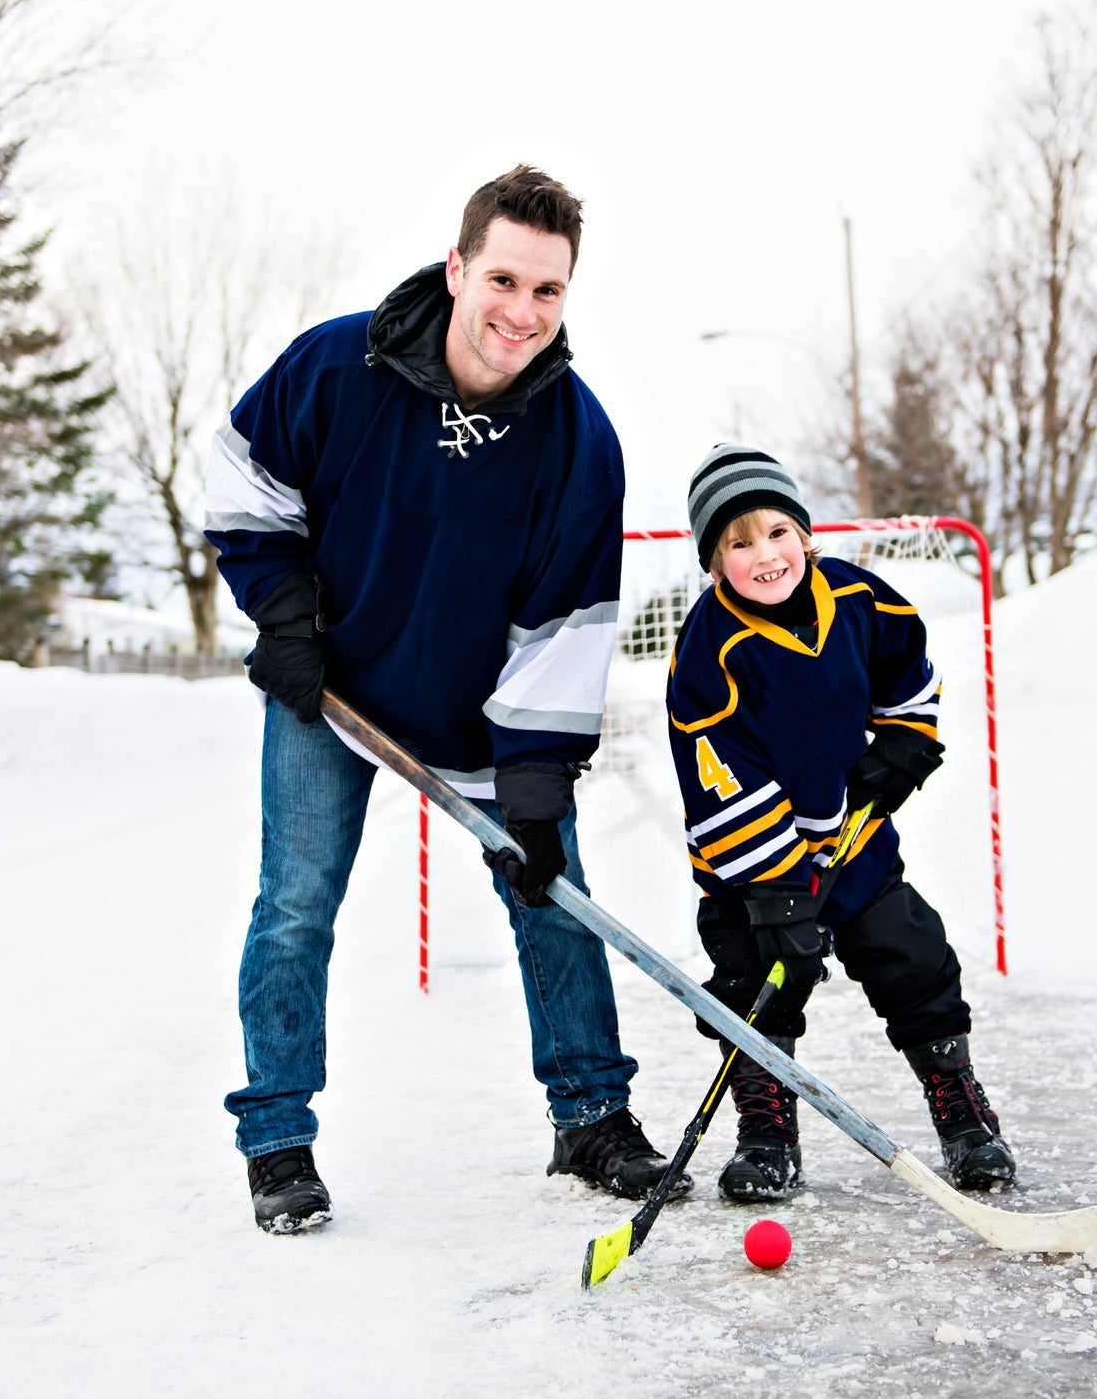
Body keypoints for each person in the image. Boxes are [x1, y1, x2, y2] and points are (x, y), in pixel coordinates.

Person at [203, 166, 686, 1234]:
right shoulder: (339, 364)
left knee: (551, 892)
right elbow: (244, 482)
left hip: (484, 707)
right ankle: (277, 1138)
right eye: (504, 278)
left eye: (548, 292)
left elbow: (562, 627)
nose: (521, 312)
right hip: (333, 688)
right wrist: (284, 615)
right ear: (459, 266)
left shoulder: (577, 442)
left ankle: (592, 1116)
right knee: (295, 903)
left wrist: (532, 783)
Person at [665, 445, 1016, 1202]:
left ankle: (963, 1116)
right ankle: (767, 1135)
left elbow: (908, 678)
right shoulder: (707, 650)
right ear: (713, 559)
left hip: (853, 846)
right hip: (749, 874)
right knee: (753, 986)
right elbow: (714, 773)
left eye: (777, 532)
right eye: (738, 542)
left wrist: (901, 745)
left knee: (914, 960)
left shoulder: (860, 598)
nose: (765, 555)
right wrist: (775, 889)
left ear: (805, 534)